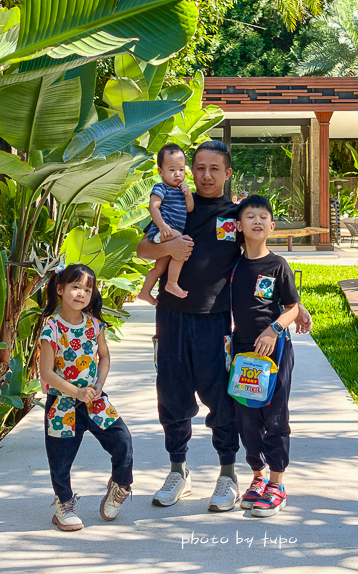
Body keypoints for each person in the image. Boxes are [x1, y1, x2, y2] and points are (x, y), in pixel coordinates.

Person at [136, 140, 314, 514]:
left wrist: (295, 306)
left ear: (227, 173)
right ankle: (177, 471)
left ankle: (227, 474)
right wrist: (169, 250)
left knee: (221, 398)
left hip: (214, 322)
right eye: (199, 167)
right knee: (172, 395)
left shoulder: (235, 216)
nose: (205, 175)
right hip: (170, 317)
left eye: (214, 168)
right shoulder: (170, 202)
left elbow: (262, 258)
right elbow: (143, 249)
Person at [38, 263, 133, 531]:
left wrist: (99, 385)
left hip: (95, 401)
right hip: (62, 406)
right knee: (60, 460)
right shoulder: (52, 329)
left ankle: (120, 485)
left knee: (122, 441)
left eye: (87, 289)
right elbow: (46, 372)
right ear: (60, 289)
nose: (81, 293)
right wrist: (75, 391)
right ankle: (64, 505)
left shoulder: (94, 325)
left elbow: (104, 357)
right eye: (75, 287)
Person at [230, 195, 300, 517]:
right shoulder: (232, 266)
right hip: (242, 353)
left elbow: (292, 308)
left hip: (275, 351)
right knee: (246, 417)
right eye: (249, 216)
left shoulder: (277, 265)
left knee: (274, 415)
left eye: (262, 217)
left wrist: (274, 329)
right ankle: (257, 477)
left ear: (271, 226)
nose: (256, 221)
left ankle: (277, 483)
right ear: (239, 226)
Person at [138, 144, 194, 304]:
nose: (177, 174)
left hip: (169, 236)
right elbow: (153, 207)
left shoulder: (180, 191)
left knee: (159, 268)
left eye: (181, 170)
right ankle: (172, 283)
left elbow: (189, 209)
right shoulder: (161, 188)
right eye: (172, 170)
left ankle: (145, 292)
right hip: (162, 232)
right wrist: (162, 225)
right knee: (184, 244)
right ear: (160, 172)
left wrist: (188, 194)